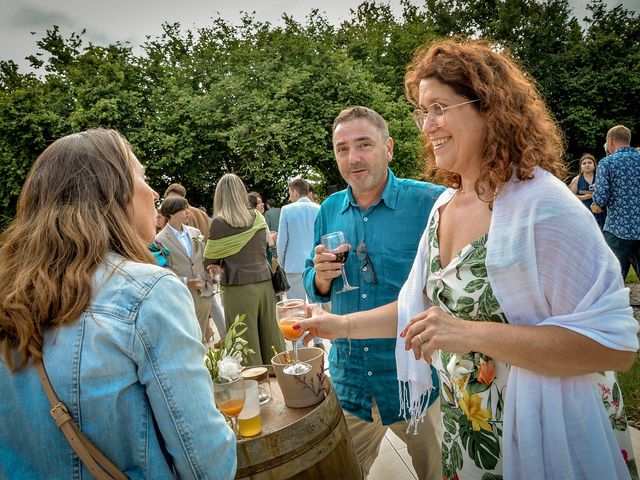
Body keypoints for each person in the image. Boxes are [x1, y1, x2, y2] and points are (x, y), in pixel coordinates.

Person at [297, 39, 639, 480]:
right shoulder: (445, 207)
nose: (428, 125)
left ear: (489, 107)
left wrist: (467, 332)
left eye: (439, 107)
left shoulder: (543, 206)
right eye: (423, 112)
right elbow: (414, 310)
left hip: (535, 439)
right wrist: (335, 325)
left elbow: (614, 345)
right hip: (469, 434)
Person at [0, 128, 236, 479]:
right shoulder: (147, 291)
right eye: (142, 176)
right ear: (113, 192)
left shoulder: (9, 293)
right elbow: (207, 463)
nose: (153, 192)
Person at [302, 106, 445, 480]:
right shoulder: (329, 209)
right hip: (352, 382)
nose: (353, 158)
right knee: (343, 472)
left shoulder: (430, 203)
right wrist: (319, 277)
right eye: (342, 148)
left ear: (389, 148)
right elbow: (312, 286)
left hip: (416, 380)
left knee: (440, 473)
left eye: (363, 144)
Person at [204, 174, 285, 366]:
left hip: (237, 288)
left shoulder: (219, 223)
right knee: (272, 340)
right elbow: (268, 245)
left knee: (245, 344)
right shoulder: (257, 217)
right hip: (265, 285)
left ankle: (258, 392)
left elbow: (209, 260)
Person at [157, 196, 214, 340]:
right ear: (171, 213)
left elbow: (203, 258)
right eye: (183, 209)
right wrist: (185, 282)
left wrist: (209, 280)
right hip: (181, 295)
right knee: (189, 339)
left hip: (203, 294)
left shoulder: (196, 233)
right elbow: (163, 270)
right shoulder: (159, 239)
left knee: (203, 339)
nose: (188, 212)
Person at [591, 125, 640, 278]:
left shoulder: (607, 163)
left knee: (613, 279)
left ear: (610, 141)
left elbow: (601, 197)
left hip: (617, 229)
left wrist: (597, 204)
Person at [277, 178, 321, 300]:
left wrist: (281, 263)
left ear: (295, 192)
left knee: (296, 304)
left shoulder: (286, 210)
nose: (290, 196)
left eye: (290, 193)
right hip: (315, 262)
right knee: (315, 302)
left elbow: (282, 242)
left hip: (293, 264)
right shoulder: (319, 209)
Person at [568, 153, 606, 229]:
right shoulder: (576, 180)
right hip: (583, 211)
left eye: (589, 162)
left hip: (600, 211)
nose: (587, 165)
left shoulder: (601, 178)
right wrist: (584, 197)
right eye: (584, 163)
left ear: (594, 166)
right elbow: (570, 197)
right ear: (581, 167)